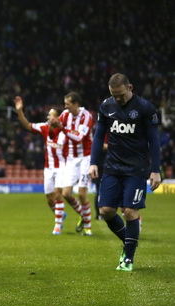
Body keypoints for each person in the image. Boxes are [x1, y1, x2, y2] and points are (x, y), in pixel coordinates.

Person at [89, 73, 161, 271]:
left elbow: (154, 141)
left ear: (130, 88)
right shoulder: (106, 106)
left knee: (129, 211)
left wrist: (155, 170)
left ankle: (128, 258)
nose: (117, 99)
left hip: (136, 168)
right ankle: (130, 241)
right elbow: (98, 136)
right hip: (112, 166)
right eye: (114, 95)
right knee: (105, 211)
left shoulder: (145, 108)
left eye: (120, 95)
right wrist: (93, 162)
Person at [15, 96, 68, 235]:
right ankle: (60, 214)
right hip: (48, 168)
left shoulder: (65, 131)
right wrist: (20, 111)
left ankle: (57, 226)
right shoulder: (44, 127)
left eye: (50, 115)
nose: (48, 117)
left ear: (57, 118)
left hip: (62, 166)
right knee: (49, 199)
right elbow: (27, 125)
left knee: (58, 195)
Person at [53, 92, 94, 235]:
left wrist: (62, 128)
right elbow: (59, 130)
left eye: (68, 104)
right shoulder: (65, 115)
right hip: (71, 158)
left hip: (85, 158)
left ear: (76, 104)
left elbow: (79, 138)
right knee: (66, 193)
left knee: (82, 194)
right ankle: (83, 214)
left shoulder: (86, 116)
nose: (65, 107)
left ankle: (88, 227)